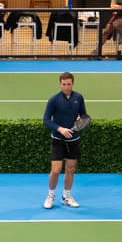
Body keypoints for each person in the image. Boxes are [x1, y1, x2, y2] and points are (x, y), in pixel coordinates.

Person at [42, 72, 88, 209]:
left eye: (69, 84)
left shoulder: (78, 98)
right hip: (58, 139)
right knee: (55, 170)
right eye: (64, 84)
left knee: (71, 168)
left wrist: (81, 120)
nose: (66, 87)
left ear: (72, 83)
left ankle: (66, 196)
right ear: (60, 84)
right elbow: (46, 120)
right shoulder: (54, 100)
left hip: (74, 139)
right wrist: (60, 129)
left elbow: (84, 115)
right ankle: (50, 195)